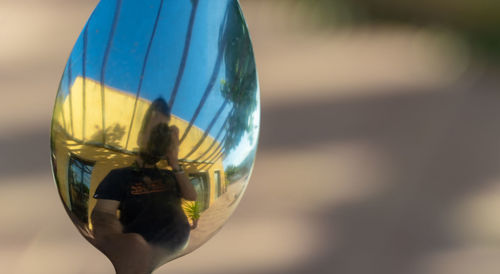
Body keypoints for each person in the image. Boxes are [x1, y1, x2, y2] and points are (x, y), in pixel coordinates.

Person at [91, 98, 197, 274]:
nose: (159, 139)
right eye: (156, 131)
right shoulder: (120, 176)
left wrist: (175, 162)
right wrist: (121, 244)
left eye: (163, 133)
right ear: (140, 138)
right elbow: (103, 214)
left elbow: (191, 195)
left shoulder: (171, 174)